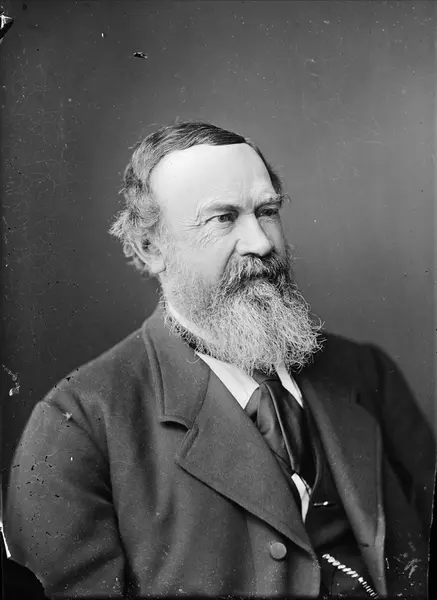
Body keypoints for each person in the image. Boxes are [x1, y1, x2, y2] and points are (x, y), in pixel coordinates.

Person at [4, 121, 435, 598]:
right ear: (151, 248)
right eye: (223, 219)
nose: (261, 243)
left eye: (267, 211)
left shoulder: (365, 371)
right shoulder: (77, 426)